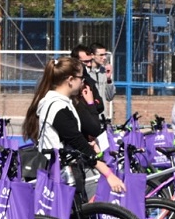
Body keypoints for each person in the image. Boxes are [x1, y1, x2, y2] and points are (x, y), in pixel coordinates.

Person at [22, 56, 124, 198]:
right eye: (81, 78)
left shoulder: (57, 102)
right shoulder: (58, 106)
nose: (83, 82)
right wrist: (108, 173)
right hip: (60, 174)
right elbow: (77, 141)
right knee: (68, 215)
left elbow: (70, 137)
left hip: (61, 171)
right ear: (70, 80)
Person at [88, 41, 116, 117]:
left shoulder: (104, 72)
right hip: (89, 117)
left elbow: (109, 97)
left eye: (105, 55)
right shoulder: (86, 73)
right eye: (101, 55)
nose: (104, 58)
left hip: (102, 117)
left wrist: (109, 78)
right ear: (92, 55)